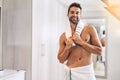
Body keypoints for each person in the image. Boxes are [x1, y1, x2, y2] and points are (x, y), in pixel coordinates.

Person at [57, 2, 102, 80]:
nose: (75, 15)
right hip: (71, 72)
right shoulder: (63, 36)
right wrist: (67, 47)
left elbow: (99, 51)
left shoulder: (89, 29)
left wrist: (81, 42)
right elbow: (61, 60)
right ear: (67, 14)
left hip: (86, 72)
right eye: (72, 12)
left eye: (77, 13)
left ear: (80, 15)